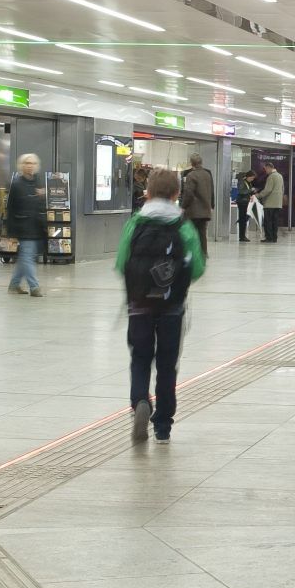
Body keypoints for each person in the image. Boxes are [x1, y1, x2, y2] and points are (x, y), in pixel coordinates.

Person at [115, 167, 205, 444]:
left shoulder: (135, 223)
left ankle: (141, 400)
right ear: (177, 194)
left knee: (140, 358)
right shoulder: (183, 225)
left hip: (139, 305)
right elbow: (198, 268)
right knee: (167, 364)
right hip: (172, 307)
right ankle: (163, 425)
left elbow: (121, 263)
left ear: (148, 192)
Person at [4, 152, 47, 297]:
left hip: (37, 226)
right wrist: (10, 232)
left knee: (25, 257)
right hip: (23, 227)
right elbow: (10, 208)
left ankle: (14, 284)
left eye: (33, 163)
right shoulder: (16, 184)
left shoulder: (39, 183)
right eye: (27, 163)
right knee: (28, 257)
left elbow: (41, 206)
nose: (30, 166)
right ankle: (34, 287)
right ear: (22, 166)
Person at [179, 150, 215, 262]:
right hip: (205, 210)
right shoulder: (207, 174)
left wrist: (183, 206)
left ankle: (191, 253)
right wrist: (211, 205)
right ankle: (204, 253)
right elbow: (211, 191)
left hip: (193, 211)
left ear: (191, 163)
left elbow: (188, 193)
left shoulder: (191, 175)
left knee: (190, 232)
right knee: (202, 233)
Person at [259, 162, 285, 242]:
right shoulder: (280, 176)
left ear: (269, 168)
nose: (265, 171)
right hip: (277, 203)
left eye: (265, 169)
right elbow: (282, 189)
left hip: (269, 203)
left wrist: (258, 195)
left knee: (268, 221)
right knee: (275, 221)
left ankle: (269, 238)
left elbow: (268, 190)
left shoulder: (271, 177)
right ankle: (274, 238)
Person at [234, 170, 253, 243]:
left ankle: (243, 235)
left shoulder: (248, 182)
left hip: (246, 202)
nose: (252, 179)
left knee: (244, 219)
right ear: (248, 176)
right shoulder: (241, 182)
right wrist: (250, 190)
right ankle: (241, 236)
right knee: (242, 219)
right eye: (251, 178)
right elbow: (242, 191)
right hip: (242, 202)